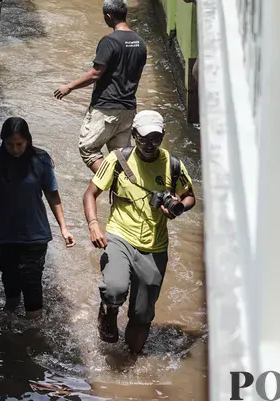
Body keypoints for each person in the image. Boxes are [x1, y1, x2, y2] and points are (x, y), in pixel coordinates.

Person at [81, 110, 195, 353]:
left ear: (163, 136)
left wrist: (178, 208)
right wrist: (93, 224)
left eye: (155, 138)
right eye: (143, 139)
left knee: (142, 315)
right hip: (119, 236)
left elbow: (190, 197)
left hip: (155, 246)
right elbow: (90, 194)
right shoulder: (117, 160)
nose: (149, 144)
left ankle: (130, 362)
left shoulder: (173, 165)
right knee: (114, 288)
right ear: (133, 135)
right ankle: (109, 311)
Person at [0, 117, 75, 318]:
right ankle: (10, 319)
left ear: (28, 140)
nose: (15, 149)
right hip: (5, 233)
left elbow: (52, 194)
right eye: (10, 144)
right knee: (10, 280)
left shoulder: (41, 160)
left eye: (20, 144)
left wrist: (64, 228)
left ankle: (34, 329)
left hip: (35, 233)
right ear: (3, 142)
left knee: (32, 280)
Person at [53, 0, 148, 173]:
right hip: (128, 110)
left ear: (108, 16)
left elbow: (96, 73)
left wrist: (69, 87)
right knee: (121, 157)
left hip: (106, 108)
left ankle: (113, 183)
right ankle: (127, 191)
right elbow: (137, 75)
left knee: (88, 149)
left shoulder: (110, 41)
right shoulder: (141, 43)